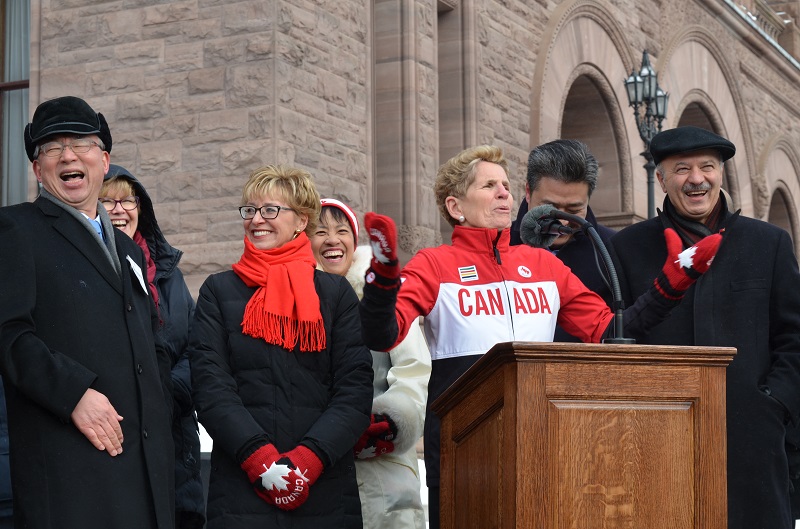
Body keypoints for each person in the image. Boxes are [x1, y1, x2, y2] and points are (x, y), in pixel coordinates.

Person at [358, 144, 725, 529]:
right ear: (455, 207)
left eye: (505, 185)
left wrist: (670, 285)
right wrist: (382, 285)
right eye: (489, 186)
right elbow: (385, 333)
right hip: (464, 442)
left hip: (542, 437)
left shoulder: (543, 262)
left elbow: (608, 332)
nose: (504, 193)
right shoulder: (434, 264)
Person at [607, 125, 800, 529]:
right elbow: (616, 340)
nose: (696, 179)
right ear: (660, 178)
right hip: (657, 442)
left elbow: (793, 336)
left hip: (751, 442)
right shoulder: (627, 248)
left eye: (707, 167)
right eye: (681, 169)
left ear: (721, 174)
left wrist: (773, 403)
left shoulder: (769, 243)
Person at [0, 96, 174, 528]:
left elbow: (150, 348)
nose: (69, 155)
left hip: (145, 478)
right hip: (71, 482)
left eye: (80, 142)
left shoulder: (130, 249)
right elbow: (8, 334)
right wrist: (73, 393)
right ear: (38, 170)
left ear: (104, 159)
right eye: (52, 148)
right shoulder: (16, 230)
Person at [189, 165, 374, 528]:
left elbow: (354, 390)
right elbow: (211, 387)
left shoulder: (335, 295)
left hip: (324, 489)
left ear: (301, 221)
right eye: (250, 210)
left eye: (270, 210)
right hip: (242, 488)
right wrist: (260, 461)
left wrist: (308, 460)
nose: (257, 219)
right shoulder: (218, 290)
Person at [310, 198, 430, 529]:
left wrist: (390, 423)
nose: (332, 239)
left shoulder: (382, 301)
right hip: (320, 469)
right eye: (319, 231)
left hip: (385, 474)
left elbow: (414, 372)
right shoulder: (297, 306)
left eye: (342, 230)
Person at [100, 165, 206, 529]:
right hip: (114, 438)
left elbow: (198, 348)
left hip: (175, 443)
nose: (118, 209)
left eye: (127, 199)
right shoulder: (88, 270)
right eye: (106, 200)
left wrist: (165, 392)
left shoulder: (168, 274)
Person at [510, 139, 616, 341]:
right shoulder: (497, 245)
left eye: (574, 210)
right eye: (550, 208)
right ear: (528, 192)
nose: (562, 222)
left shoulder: (613, 249)